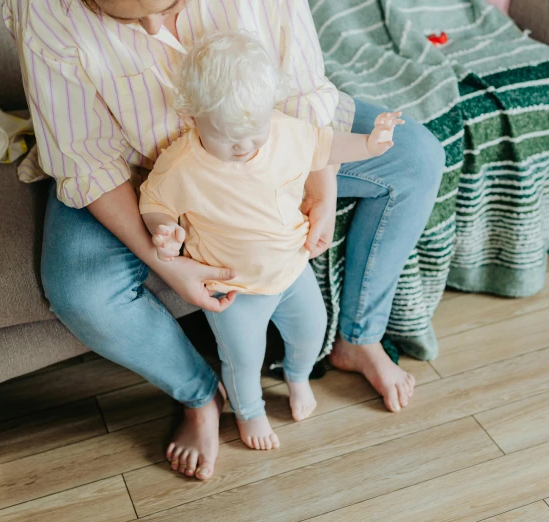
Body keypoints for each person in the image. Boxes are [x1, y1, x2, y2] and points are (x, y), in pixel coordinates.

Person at [3, 0, 444, 480]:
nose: (152, 27)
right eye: (126, 18)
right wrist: (167, 258)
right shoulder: (41, 8)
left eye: (166, 7)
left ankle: (360, 339)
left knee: (417, 158)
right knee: (80, 291)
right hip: (139, 173)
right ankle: (200, 395)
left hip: (270, 139)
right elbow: (85, 160)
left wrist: (319, 187)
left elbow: (301, 92)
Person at [139, 31, 405, 451]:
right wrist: (163, 228)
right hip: (233, 289)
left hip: (291, 268)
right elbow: (153, 200)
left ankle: (297, 379)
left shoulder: (283, 132)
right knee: (242, 360)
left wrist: (371, 143)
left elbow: (325, 144)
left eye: (254, 130)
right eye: (227, 137)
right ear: (193, 118)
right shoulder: (182, 165)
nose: (244, 146)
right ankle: (249, 411)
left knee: (310, 333)